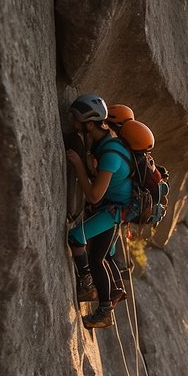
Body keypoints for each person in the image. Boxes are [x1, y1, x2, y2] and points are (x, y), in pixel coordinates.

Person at [65, 94, 133, 329]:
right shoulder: (105, 142)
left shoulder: (111, 155)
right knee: (99, 256)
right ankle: (113, 291)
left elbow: (94, 195)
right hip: (115, 207)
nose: (73, 123)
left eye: (76, 119)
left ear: (90, 123)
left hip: (116, 210)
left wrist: (77, 166)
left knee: (77, 238)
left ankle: (92, 292)